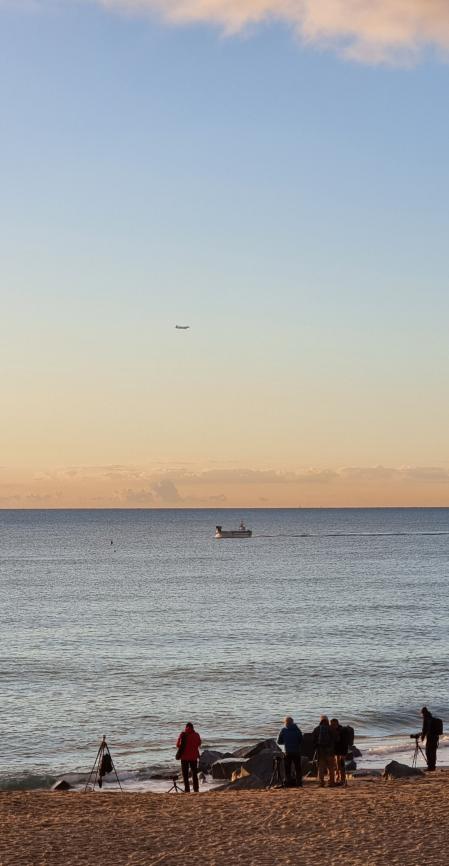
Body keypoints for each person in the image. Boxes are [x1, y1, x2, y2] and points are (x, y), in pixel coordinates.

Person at [277, 716, 303, 787]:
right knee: (298, 768)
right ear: (293, 722)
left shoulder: (283, 730)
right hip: (296, 751)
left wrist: (285, 742)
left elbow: (279, 741)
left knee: (287, 768)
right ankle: (299, 783)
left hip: (287, 751)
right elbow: (301, 740)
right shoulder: (297, 730)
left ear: (285, 722)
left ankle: (288, 782)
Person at [176, 722, 201, 792]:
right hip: (194, 757)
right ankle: (196, 789)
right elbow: (199, 744)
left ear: (186, 727)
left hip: (184, 757)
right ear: (193, 728)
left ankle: (187, 789)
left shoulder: (182, 734)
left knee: (185, 774)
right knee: (194, 774)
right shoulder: (196, 735)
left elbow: (178, 745)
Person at [313, 715, 335, 787]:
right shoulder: (330, 728)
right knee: (330, 767)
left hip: (320, 751)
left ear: (320, 720)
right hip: (330, 751)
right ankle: (331, 782)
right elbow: (336, 739)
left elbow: (313, 740)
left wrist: (316, 746)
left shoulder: (317, 729)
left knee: (321, 767)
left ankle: (321, 783)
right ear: (327, 720)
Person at [330, 718, 348, 786]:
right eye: (331, 724)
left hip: (342, 751)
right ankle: (338, 778)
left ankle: (342, 780)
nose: (332, 725)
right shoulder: (335, 730)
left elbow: (344, 743)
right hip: (336, 751)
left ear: (337, 723)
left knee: (341, 766)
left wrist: (344, 753)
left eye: (333, 724)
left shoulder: (341, 731)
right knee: (337, 766)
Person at [421, 707, 440, 771]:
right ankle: (433, 766)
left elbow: (424, 729)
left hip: (430, 738)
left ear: (423, 713)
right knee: (433, 752)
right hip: (436, 737)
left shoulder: (426, 718)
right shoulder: (431, 718)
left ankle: (430, 767)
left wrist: (422, 737)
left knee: (428, 752)